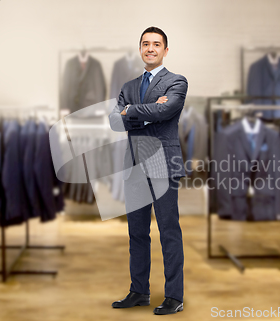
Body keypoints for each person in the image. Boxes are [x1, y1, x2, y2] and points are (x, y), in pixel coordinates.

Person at [108, 26, 188, 315]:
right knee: (137, 233)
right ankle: (139, 290)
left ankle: (174, 296)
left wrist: (130, 111)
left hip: (163, 165)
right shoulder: (128, 86)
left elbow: (166, 112)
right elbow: (115, 123)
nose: (150, 48)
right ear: (139, 49)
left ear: (166, 50)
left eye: (156, 44)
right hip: (135, 166)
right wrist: (145, 110)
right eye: (145, 44)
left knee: (169, 231)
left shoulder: (176, 81)